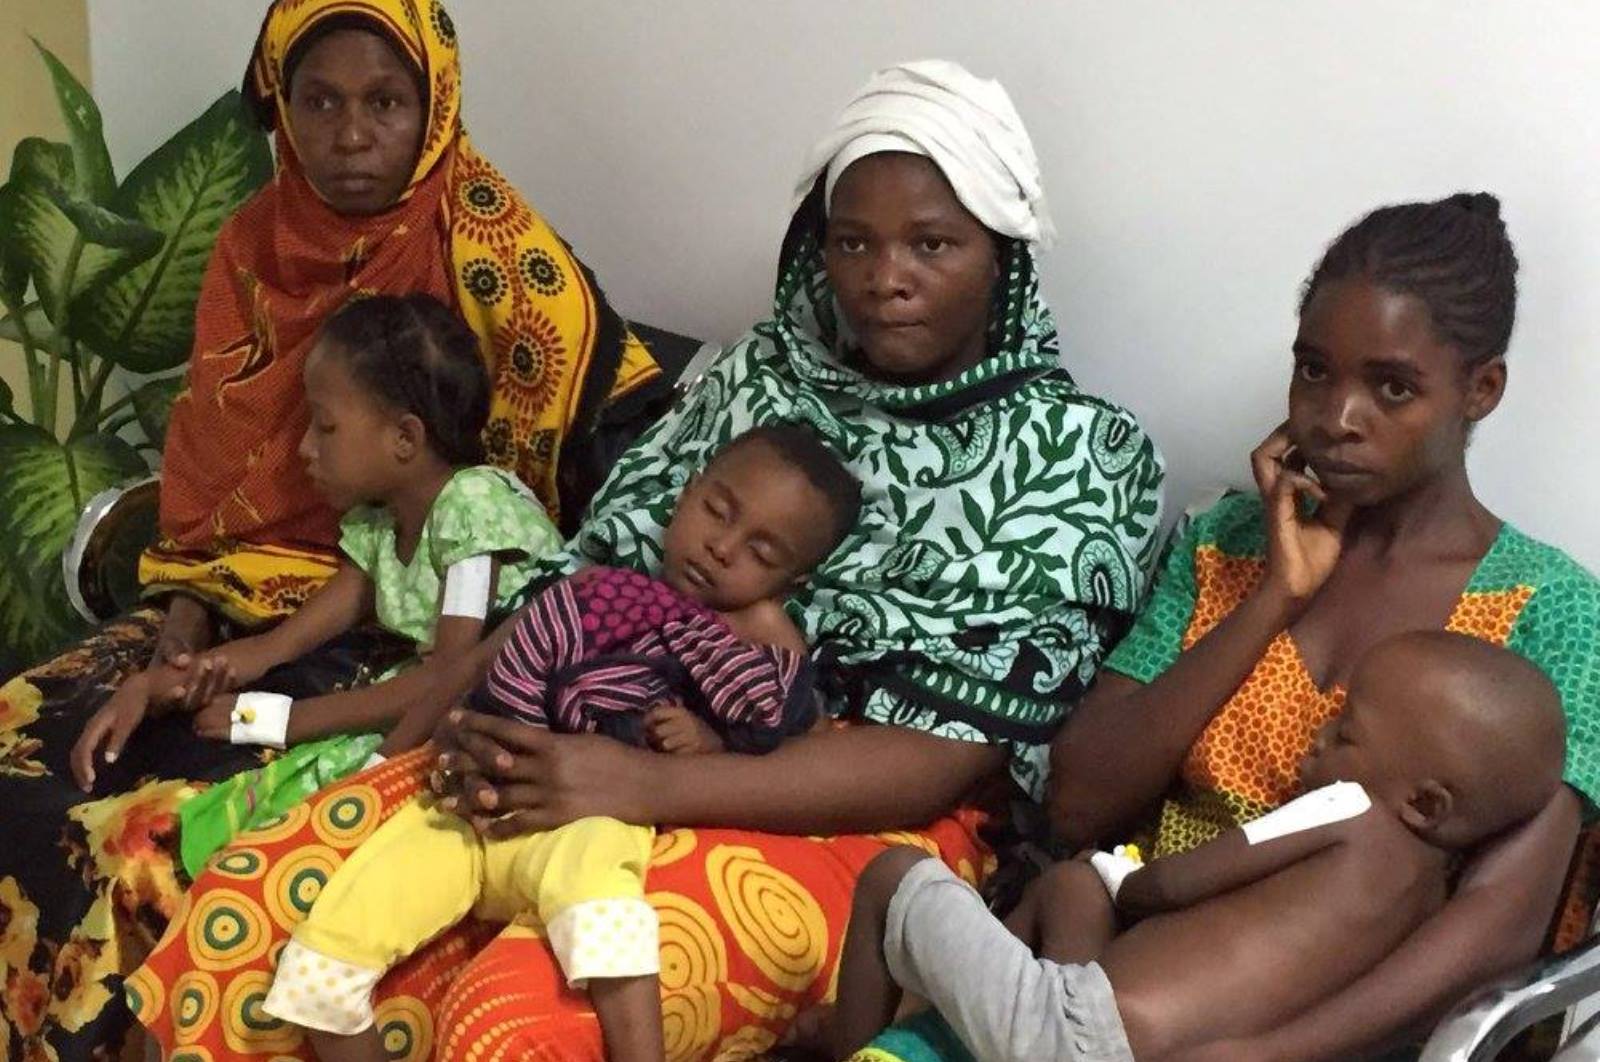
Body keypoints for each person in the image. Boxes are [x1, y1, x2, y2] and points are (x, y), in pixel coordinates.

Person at [131, 60, 1166, 1061]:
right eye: (853, 243)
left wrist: (636, 783)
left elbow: (946, 755)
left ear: (1003, 254)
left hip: (850, 811)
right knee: (263, 919)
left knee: (517, 1020)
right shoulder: (761, 377)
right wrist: (481, 724)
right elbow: (592, 580)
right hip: (589, 726)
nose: (884, 280)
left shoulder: (1083, 458)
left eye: (932, 245)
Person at [0, 1, 657, 1057]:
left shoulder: (495, 256)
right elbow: (218, 469)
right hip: (256, 592)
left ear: (434, 108)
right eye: (321, 102)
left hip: (412, 655)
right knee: (24, 738)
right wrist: (182, 644)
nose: (352, 136)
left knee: (145, 836)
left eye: (385, 103)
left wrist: (263, 712)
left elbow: (508, 600)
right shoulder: (252, 245)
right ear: (282, 110)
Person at [1032, 192, 1600, 1061]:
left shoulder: (1551, 608)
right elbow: (1077, 804)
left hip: (1346, 1030)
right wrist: (1276, 598)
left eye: (1393, 387)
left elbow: (1499, 930)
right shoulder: (1228, 543)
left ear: (1480, 390)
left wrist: (1272, 1055)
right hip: (1130, 979)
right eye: (1314, 371)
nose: (1336, 418)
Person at [259, 424, 860, 1062]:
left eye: (762, 554)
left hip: (591, 817)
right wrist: (422, 751)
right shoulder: (597, 594)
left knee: (603, 922)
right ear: (687, 494)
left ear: (789, 583)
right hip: (476, 806)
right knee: (317, 968)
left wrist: (710, 739)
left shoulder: (756, 637)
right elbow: (492, 673)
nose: (721, 547)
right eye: (717, 511)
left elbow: (784, 738)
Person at [824, 632, 1567, 1061]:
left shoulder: (1344, 807)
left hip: (1076, 1032)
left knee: (897, 874)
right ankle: (962, 1019)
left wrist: (1122, 871)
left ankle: (855, 1046)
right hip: (1148, 1052)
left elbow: (1166, 891)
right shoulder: (1421, 903)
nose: (1316, 739)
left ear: (1423, 802)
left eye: (1344, 732)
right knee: (1069, 892)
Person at [97, 294, 560, 875]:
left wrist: (267, 719)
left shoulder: (472, 504)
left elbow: (451, 676)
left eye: (326, 426)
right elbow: (276, 646)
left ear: (405, 439)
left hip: (497, 713)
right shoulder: (382, 524)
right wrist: (163, 682)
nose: (305, 449)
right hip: (430, 698)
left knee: (285, 827)